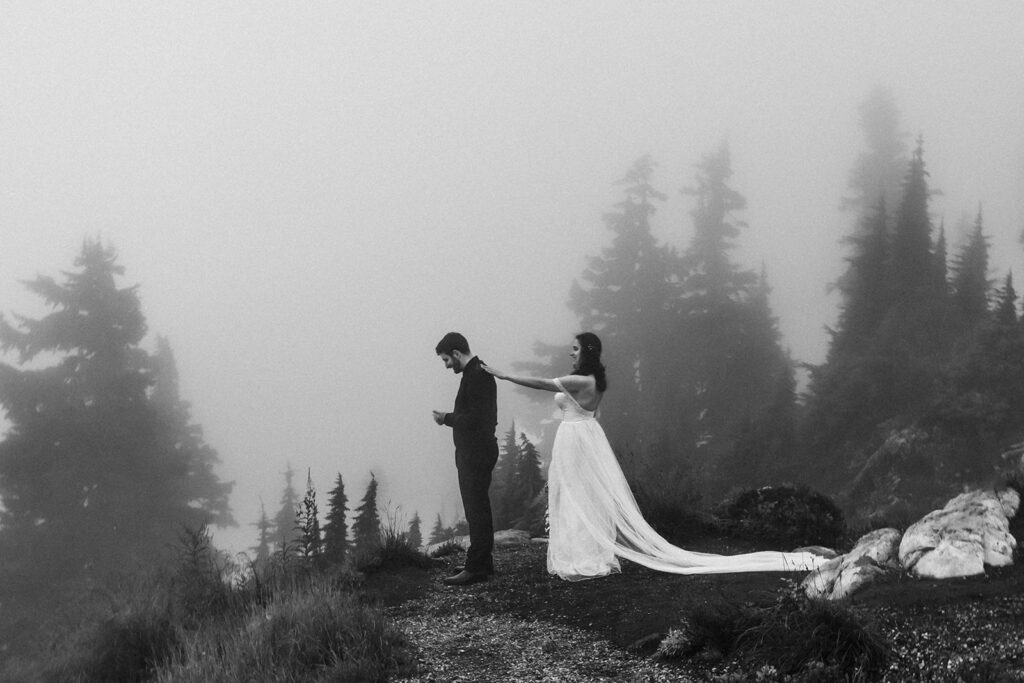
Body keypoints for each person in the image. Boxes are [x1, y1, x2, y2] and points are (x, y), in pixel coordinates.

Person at [483, 332, 827, 581]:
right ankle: (582, 551)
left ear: (586, 353)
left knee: (578, 494)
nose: (570, 354)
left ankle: (584, 556)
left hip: (576, 438)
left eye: (574, 350)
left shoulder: (582, 380)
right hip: (581, 436)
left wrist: (502, 374)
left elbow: (543, 383)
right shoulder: (591, 380)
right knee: (579, 494)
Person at [433, 332, 499, 586]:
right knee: (478, 508)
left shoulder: (477, 376)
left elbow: (477, 418)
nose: (447, 365)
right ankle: (482, 563)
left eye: (446, 360)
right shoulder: (474, 374)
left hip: (476, 452)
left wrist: (446, 418)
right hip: (476, 450)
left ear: (457, 353)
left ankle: (476, 567)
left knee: (476, 509)